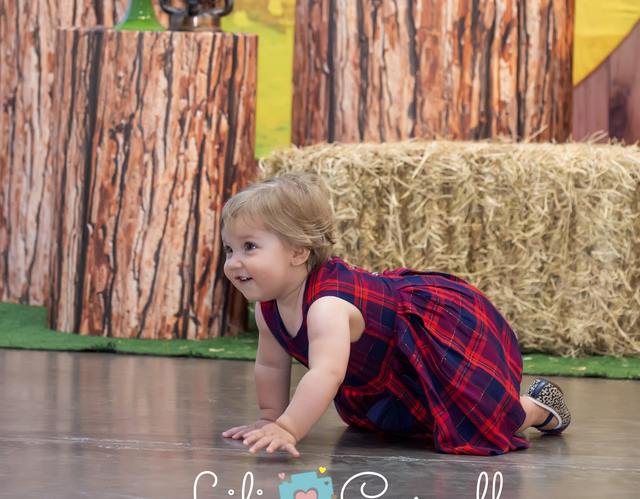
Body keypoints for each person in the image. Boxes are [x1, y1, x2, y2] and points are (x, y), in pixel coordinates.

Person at [219, 172, 571, 457]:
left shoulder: (327, 306)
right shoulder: (268, 308)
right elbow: (271, 366)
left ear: (298, 252)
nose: (233, 262)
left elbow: (326, 373)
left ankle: (535, 406)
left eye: (249, 247)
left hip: (432, 342)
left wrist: (288, 427)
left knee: (483, 426)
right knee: (413, 427)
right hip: (390, 370)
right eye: (229, 249)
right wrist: (269, 418)